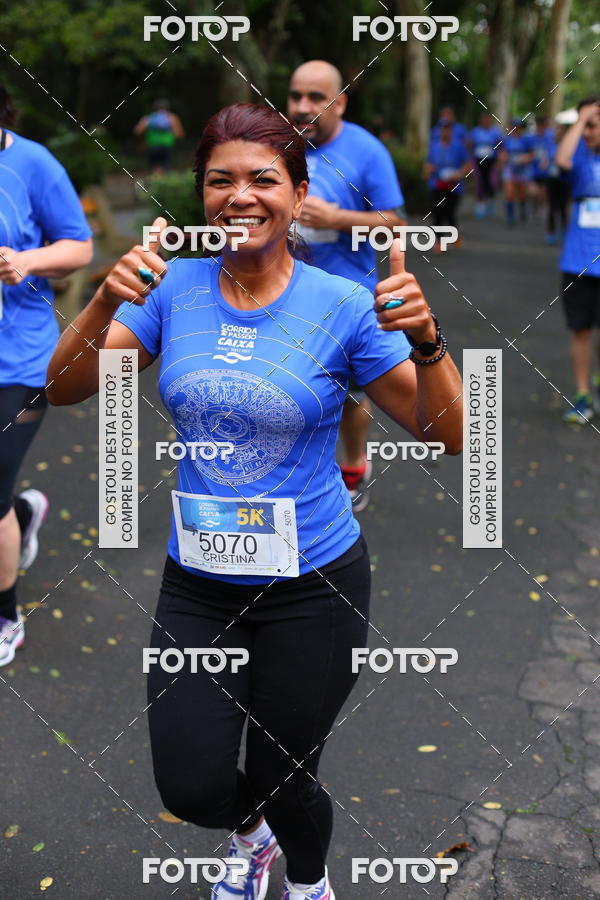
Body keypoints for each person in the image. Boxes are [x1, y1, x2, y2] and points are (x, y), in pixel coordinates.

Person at [47, 103, 463, 900]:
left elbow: (448, 434)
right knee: (190, 785)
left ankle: (308, 882)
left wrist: (428, 343)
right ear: (202, 194)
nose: (240, 196)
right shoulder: (173, 289)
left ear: (300, 196)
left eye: (263, 179)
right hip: (198, 584)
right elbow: (65, 388)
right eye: (220, 180)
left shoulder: (343, 304)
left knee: (284, 772)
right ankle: (253, 839)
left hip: (314, 587)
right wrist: (101, 302)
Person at [287, 60, 407, 512]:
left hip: (347, 297)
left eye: (315, 98)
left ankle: (354, 464)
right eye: (296, 96)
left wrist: (338, 219)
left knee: (353, 395)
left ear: (339, 103)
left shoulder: (366, 150)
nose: (303, 107)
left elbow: (395, 223)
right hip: (282, 294)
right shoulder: (279, 144)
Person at [0, 82, 93, 665]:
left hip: (19, 357)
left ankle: (5, 615)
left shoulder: (32, 163)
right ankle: (24, 512)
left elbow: (79, 247)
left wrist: (26, 260)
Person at [555, 97, 600, 423]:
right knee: (581, 331)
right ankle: (583, 394)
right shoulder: (580, 157)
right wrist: (582, 119)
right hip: (578, 263)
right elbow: (562, 158)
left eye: (593, 125)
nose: (586, 132)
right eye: (583, 125)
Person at [424, 121, 469, 246]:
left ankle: (455, 234)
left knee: (449, 212)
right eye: (443, 129)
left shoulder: (459, 147)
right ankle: (439, 241)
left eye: (448, 129)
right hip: (437, 185)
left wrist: (459, 173)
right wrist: (428, 171)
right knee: (437, 212)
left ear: (452, 131)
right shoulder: (434, 147)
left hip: (454, 186)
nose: (445, 132)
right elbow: (428, 164)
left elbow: (467, 166)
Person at [133, 99, 185, 174]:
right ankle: (161, 179)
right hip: (166, 146)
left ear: (154, 108)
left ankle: (155, 178)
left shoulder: (148, 118)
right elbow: (180, 134)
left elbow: (137, 131)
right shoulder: (172, 118)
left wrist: (142, 141)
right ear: (168, 108)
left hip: (152, 146)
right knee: (164, 168)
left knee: (153, 169)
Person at [499, 119, 535, 226]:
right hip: (510, 169)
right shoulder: (506, 140)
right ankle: (510, 216)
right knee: (509, 192)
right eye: (513, 127)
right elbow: (501, 154)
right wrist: (505, 158)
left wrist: (525, 158)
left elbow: (531, 155)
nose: (515, 129)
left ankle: (522, 208)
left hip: (522, 169)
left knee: (522, 193)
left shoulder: (526, 140)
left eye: (518, 127)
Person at [468, 111, 503, 219]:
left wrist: (499, 162)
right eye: (484, 119)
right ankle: (480, 206)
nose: (486, 121)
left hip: (491, 161)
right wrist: (470, 161)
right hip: (478, 161)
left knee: (492, 182)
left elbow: (500, 147)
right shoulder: (475, 132)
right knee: (479, 183)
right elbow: (470, 145)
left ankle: (490, 203)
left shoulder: (495, 132)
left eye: (488, 119)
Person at [544, 122, 571, 245]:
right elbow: (545, 160)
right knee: (551, 207)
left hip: (564, 180)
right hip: (552, 179)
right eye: (556, 131)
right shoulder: (550, 145)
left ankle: (564, 230)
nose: (558, 134)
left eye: (560, 132)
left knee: (563, 207)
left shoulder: (569, 147)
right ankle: (550, 232)